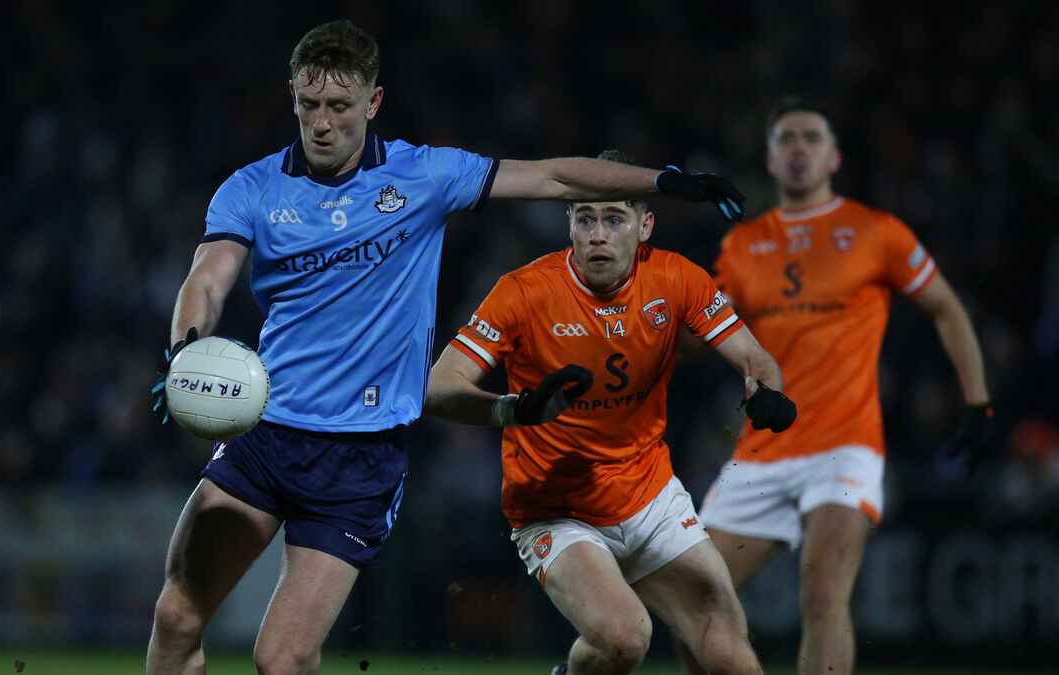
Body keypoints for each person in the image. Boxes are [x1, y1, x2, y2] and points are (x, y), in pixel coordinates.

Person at [145, 20, 750, 675]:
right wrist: (186, 348)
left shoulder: (426, 175)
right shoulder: (252, 188)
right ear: (291, 95)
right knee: (177, 616)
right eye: (309, 103)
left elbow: (552, 177)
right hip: (265, 433)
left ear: (373, 102)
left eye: (340, 106)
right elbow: (208, 278)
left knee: (281, 660)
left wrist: (663, 182)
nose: (322, 122)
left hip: (359, 457)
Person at [424, 149, 795, 675]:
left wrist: (769, 392)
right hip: (555, 509)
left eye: (614, 219)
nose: (598, 235)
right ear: (569, 225)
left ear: (645, 227)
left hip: (650, 498)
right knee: (625, 638)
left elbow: (756, 358)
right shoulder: (523, 292)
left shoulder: (676, 278)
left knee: (732, 656)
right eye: (586, 219)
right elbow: (438, 387)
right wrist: (513, 410)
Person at [686, 98, 994, 675]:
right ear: (770, 160)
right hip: (761, 451)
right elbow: (703, 338)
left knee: (824, 591)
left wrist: (979, 404)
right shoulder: (743, 246)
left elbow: (946, 308)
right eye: (786, 138)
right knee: (695, 600)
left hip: (845, 447)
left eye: (811, 137)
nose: (798, 147)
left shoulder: (876, 231)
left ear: (834, 158)